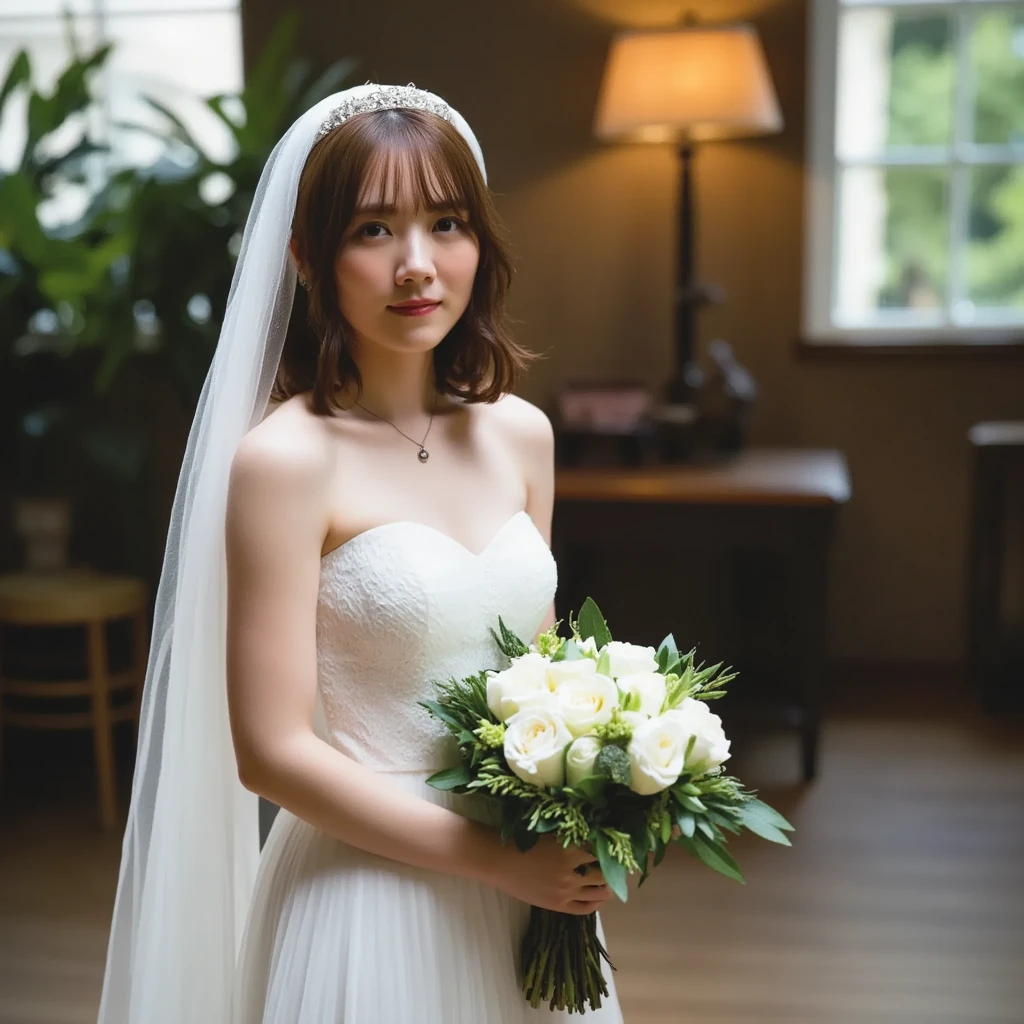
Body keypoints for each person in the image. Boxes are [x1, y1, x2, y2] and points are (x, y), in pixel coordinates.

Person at [96, 84, 624, 1023]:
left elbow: (542, 679)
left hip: (527, 887)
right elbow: (271, 753)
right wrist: (492, 860)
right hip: (368, 900)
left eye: (446, 223)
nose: (417, 266)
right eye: (373, 230)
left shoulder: (523, 436)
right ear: (307, 256)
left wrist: (603, 790)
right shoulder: (283, 461)